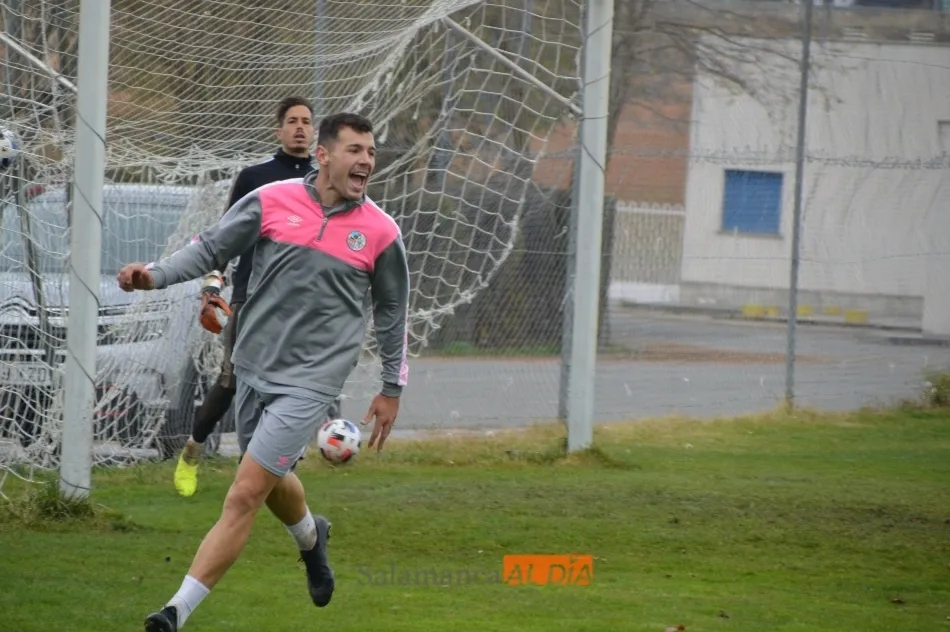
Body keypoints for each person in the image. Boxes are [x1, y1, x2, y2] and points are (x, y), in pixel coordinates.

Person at [117, 112, 410, 632]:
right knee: (273, 482)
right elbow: (212, 249)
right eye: (355, 150)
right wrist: (154, 276)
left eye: (370, 152)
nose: (366, 160)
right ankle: (311, 539)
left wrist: (392, 386)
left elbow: (391, 312)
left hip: (312, 381)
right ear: (323, 155)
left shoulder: (381, 233)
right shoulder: (272, 200)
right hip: (252, 365)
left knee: (245, 491)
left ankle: (174, 612)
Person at [173, 95, 344, 498]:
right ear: (278, 130)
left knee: (297, 384)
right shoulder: (255, 177)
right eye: (292, 121)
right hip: (251, 297)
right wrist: (212, 286)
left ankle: (263, 470)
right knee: (232, 381)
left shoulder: (327, 180)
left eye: (306, 121)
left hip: (304, 304)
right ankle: (193, 451)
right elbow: (223, 240)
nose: (300, 127)